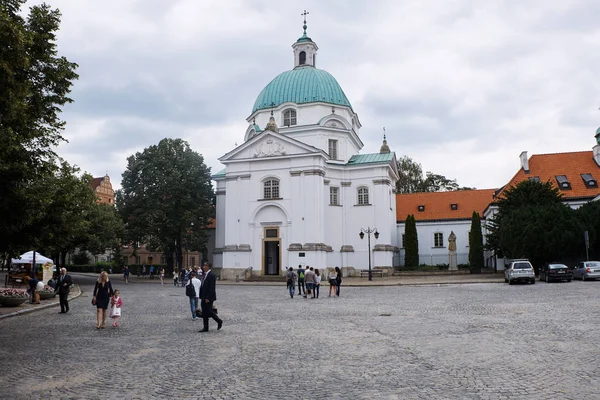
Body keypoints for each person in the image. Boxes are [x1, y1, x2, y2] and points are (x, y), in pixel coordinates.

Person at [198, 263, 223, 332]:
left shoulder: (211, 275)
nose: (203, 267)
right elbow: (203, 286)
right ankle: (205, 327)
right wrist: (201, 295)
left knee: (209, 311)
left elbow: (212, 288)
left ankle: (219, 321)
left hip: (208, 297)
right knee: (204, 312)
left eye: (204, 266)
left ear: (208, 267)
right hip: (203, 296)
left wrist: (208, 298)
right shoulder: (205, 275)